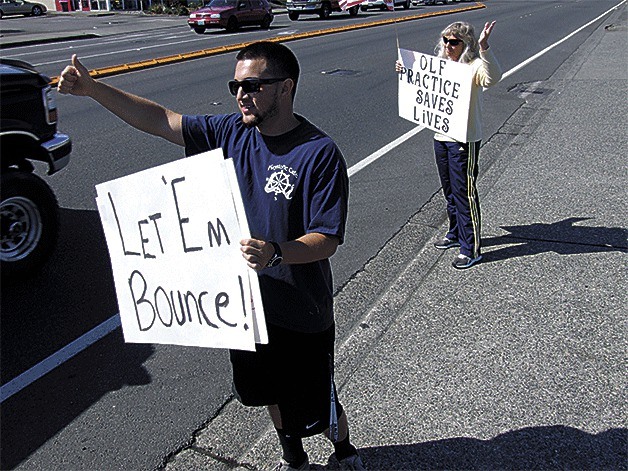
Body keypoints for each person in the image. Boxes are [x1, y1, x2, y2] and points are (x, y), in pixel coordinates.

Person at [57, 41, 364, 471]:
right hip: (243, 308)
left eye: (253, 85)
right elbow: (161, 120)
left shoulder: (317, 152)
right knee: (267, 391)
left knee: (316, 399)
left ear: (286, 87)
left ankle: (344, 450)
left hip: (299, 309)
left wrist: (276, 253)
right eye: (235, 85)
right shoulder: (230, 132)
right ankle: (293, 457)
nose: (241, 94)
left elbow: (326, 238)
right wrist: (94, 90)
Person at [398, 21, 502, 269]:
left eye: (454, 41)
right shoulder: (440, 66)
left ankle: (471, 247)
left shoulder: (474, 66)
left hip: (463, 141)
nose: (447, 45)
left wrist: (485, 48)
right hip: (441, 137)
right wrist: (406, 71)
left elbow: (493, 79)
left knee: (464, 193)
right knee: (449, 191)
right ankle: (455, 232)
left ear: (465, 43)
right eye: (445, 40)